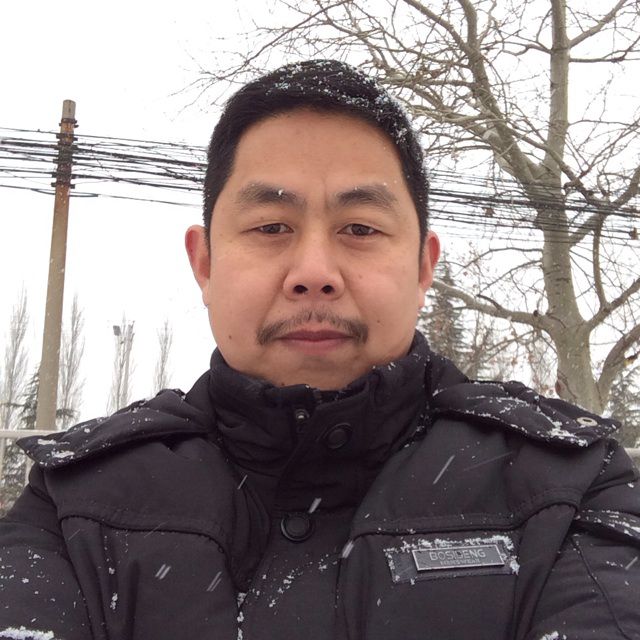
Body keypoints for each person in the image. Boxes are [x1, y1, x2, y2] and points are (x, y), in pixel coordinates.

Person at [1, 59, 639, 640]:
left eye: (359, 228)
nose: (314, 272)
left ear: (423, 267)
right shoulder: (76, 508)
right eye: (270, 227)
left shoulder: (570, 486)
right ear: (205, 263)